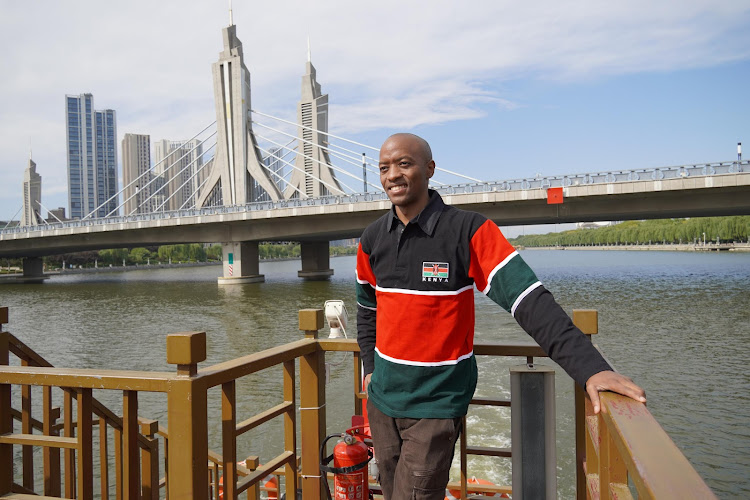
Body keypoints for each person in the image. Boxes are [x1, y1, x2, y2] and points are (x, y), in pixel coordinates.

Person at [355, 133, 646, 500]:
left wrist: (590, 367)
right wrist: (370, 367)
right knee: (390, 489)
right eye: (384, 167)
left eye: (404, 164)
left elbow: (528, 299)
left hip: (435, 404)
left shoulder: (468, 230)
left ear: (430, 169)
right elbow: (367, 311)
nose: (392, 175)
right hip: (383, 401)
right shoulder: (371, 239)